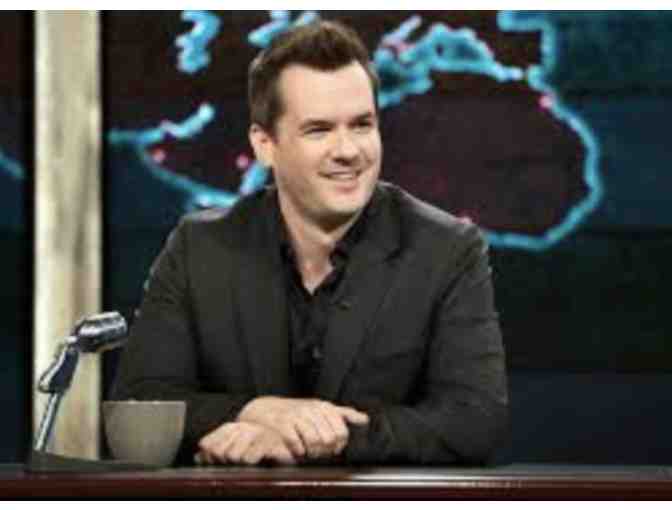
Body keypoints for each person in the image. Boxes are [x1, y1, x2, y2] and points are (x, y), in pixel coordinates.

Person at [112, 20, 508, 467]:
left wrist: (325, 435)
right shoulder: (200, 248)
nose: (348, 151)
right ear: (265, 144)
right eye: (319, 130)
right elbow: (138, 402)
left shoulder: (446, 250)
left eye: (361, 125)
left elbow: (475, 419)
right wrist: (255, 412)